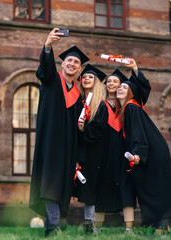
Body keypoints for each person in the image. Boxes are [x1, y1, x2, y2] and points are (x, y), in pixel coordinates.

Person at [29, 28, 89, 237]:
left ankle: (52, 223)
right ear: (62, 64)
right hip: (50, 144)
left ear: (79, 69)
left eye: (76, 63)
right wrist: (47, 46)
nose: (72, 64)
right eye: (69, 61)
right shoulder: (52, 81)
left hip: (68, 148)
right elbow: (45, 69)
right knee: (50, 183)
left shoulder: (79, 96)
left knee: (59, 186)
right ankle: (53, 227)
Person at [116, 63, 171, 233]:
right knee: (155, 187)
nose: (120, 89)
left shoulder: (131, 107)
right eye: (119, 87)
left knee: (152, 188)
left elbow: (137, 133)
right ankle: (162, 226)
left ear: (131, 92)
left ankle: (161, 227)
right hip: (154, 149)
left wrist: (137, 154)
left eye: (125, 86)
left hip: (150, 151)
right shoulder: (129, 108)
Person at [94, 69, 128, 232]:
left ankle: (128, 227)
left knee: (124, 186)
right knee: (101, 186)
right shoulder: (100, 103)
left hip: (122, 151)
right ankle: (97, 227)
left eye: (115, 81)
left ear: (121, 85)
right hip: (103, 151)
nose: (111, 84)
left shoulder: (127, 106)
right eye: (108, 81)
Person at [76, 64, 107, 233]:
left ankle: (93, 226)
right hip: (81, 153)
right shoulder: (78, 103)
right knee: (86, 189)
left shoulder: (100, 106)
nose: (86, 79)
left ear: (96, 83)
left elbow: (98, 131)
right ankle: (89, 225)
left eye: (91, 77)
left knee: (92, 189)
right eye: (84, 77)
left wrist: (83, 129)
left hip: (95, 154)